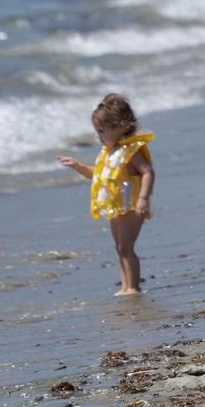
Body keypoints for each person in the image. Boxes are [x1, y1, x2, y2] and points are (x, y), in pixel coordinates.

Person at [56, 94, 155, 297]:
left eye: (103, 130)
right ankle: (125, 286)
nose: (100, 136)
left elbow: (147, 172)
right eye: (97, 131)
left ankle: (134, 287)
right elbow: (98, 175)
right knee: (120, 247)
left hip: (131, 205)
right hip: (115, 206)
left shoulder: (130, 150)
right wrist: (78, 166)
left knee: (126, 246)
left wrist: (143, 198)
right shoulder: (109, 152)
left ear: (121, 126)